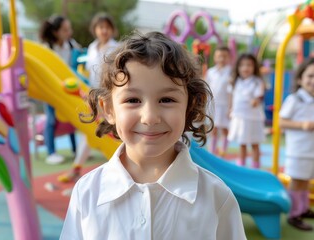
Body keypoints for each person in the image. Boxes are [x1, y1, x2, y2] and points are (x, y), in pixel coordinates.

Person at [60, 31, 246, 239]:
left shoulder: (216, 197)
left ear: (191, 105)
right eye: (132, 100)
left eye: (166, 99)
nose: (150, 117)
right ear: (108, 109)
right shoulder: (87, 193)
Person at [58, 13, 118, 183]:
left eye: (107, 27)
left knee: (112, 131)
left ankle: (119, 169)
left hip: (110, 94)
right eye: (100, 27)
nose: (103, 31)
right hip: (94, 94)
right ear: (95, 30)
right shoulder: (92, 47)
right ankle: (77, 168)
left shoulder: (116, 47)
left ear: (112, 29)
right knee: (90, 131)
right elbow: (89, 72)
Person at [39, 15, 80, 164]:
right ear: (56, 32)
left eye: (69, 29)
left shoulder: (71, 44)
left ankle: (76, 150)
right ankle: (51, 152)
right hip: (52, 89)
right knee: (51, 120)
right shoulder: (47, 48)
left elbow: (78, 57)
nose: (69, 32)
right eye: (65, 30)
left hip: (68, 88)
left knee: (72, 118)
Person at [279, 58, 314, 231]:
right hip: (299, 151)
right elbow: (281, 122)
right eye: (310, 76)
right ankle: (294, 214)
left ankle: (303, 207)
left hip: (311, 151)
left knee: (305, 180)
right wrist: (303, 125)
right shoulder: (295, 99)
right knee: (297, 181)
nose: (313, 81)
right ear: (300, 79)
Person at [227, 53, 265, 168]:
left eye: (249, 65)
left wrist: (256, 100)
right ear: (238, 67)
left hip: (252, 117)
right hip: (239, 116)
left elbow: (259, 95)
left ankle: (255, 166)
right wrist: (230, 109)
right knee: (241, 142)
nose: (245, 68)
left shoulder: (256, 81)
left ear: (254, 67)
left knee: (254, 143)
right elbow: (231, 96)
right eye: (242, 65)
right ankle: (241, 165)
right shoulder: (236, 81)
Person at [205, 46, 232, 157]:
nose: (221, 59)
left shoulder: (230, 72)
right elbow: (207, 87)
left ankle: (223, 150)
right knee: (213, 127)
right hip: (213, 104)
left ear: (229, 58)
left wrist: (231, 107)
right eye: (219, 56)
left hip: (225, 104)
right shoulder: (211, 72)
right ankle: (212, 150)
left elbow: (231, 91)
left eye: (224, 56)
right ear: (215, 58)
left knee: (225, 128)